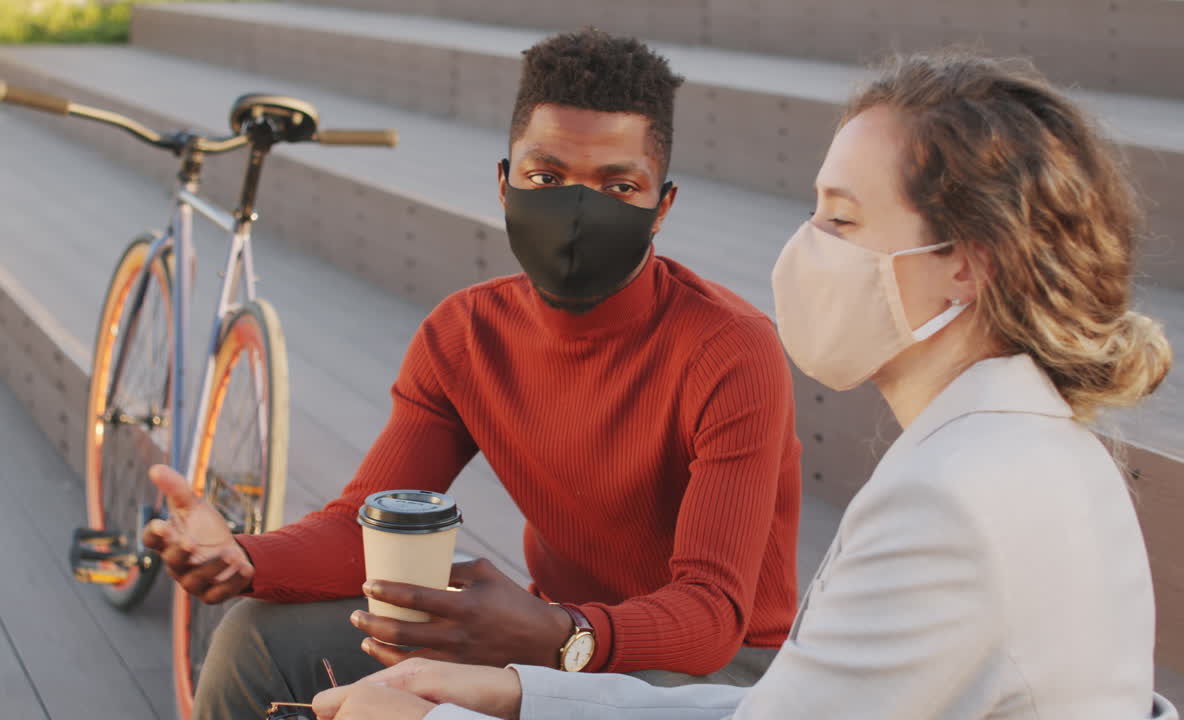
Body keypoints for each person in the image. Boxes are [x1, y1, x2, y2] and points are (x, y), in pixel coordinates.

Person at [307, 52, 1179, 720]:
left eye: (840, 219)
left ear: (964, 267)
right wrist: (504, 693)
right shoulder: (1031, 447)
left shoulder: (952, 499)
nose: (804, 247)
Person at [142, 27, 804, 720]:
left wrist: (561, 637)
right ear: (504, 183)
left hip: (714, 674)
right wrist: (246, 560)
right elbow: (365, 529)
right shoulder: (466, 337)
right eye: (546, 178)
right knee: (258, 642)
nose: (578, 211)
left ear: (661, 208)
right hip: (549, 637)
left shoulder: (731, 352)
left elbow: (712, 615)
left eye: (618, 185)